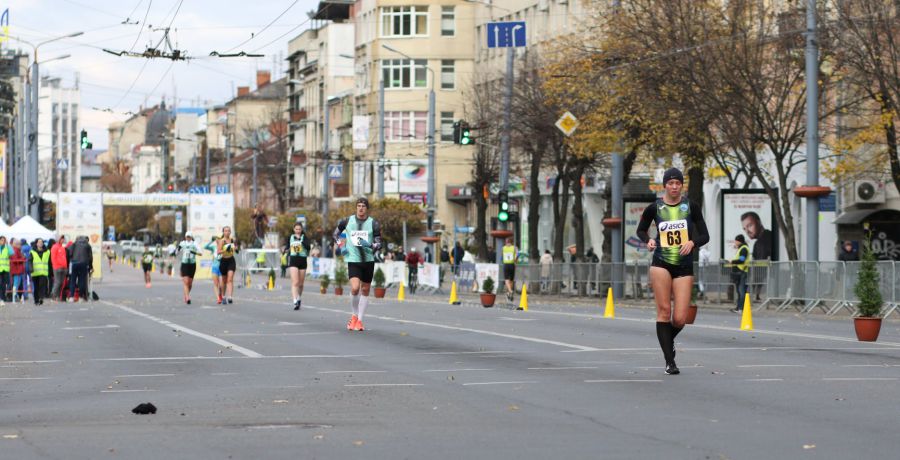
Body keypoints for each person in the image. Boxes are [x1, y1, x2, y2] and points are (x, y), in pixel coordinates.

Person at [636, 167, 710, 375]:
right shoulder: (655, 208)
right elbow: (640, 230)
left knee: (679, 318)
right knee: (664, 312)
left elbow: (705, 235)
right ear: (665, 185)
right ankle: (670, 362)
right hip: (661, 262)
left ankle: (668, 342)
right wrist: (648, 240)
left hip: (684, 265)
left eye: (678, 183)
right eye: (671, 183)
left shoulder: (691, 206)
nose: (675, 186)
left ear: (682, 185)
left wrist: (693, 243)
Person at [333, 197, 383, 332]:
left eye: (363, 206)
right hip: (353, 260)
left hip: (368, 260)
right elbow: (336, 234)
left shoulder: (374, 224)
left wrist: (372, 245)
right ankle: (354, 315)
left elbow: (379, 243)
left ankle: (360, 320)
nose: (361, 208)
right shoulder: (347, 221)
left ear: (367, 208)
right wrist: (342, 246)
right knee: (355, 288)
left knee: (365, 290)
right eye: (359, 206)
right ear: (356, 207)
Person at [286, 222, 311, 310]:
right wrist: (285, 250)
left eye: (299, 229)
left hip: (302, 260)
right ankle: (295, 301)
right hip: (293, 260)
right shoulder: (291, 237)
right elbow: (287, 247)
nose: (298, 231)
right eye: (296, 229)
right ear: (294, 229)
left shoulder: (305, 237)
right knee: (295, 282)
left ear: (301, 230)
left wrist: (301, 241)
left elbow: (308, 247)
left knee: (300, 283)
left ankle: (299, 297)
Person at [726, 234, 750, 313]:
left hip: (741, 272)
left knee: (741, 290)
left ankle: (741, 308)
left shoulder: (743, 249)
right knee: (739, 291)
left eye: (736, 241)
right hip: (738, 272)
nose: (735, 242)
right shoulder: (741, 248)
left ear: (739, 241)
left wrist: (732, 261)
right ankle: (738, 307)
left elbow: (741, 260)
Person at [217, 226, 238, 304]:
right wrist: (226, 249)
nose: (227, 232)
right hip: (223, 261)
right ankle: (223, 296)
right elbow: (218, 252)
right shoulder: (222, 241)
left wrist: (235, 248)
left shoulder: (232, 240)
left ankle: (230, 297)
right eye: (226, 231)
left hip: (231, 260)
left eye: (229, 231)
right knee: (224, 281)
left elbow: (236, 248)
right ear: (223, 232)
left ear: (230, 232)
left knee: (230, 279)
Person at [178, 232, 201, 304]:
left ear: (191, 237)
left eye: (189, 237)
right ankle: (187, 298)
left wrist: (194, 252)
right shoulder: (182, 243)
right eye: (187, 236)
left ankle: (186, 294)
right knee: (186, 282)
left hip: (192, 264)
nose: (188, 238)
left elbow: (200, 253)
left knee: (190, 283)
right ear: (185, 237)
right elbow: (177, 251)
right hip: (184, 264)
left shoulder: (194, 244)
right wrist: (175, 252)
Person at [30, 238, 50, 305]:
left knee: (42, 285)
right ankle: (36, 300)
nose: (40, 243)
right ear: (36, 243)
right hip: (35, 272)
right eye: (39, 242)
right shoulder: (32, 252)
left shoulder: (47, 251)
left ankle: (41, 298)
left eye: (42, 242)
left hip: (43, 272)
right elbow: (29, 261)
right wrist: (30, 268)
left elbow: (50, 262)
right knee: (36, 287)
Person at [50, 236, 70, 302]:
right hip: (57, 267)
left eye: (63, 239)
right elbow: (53, 258)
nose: (63, 240)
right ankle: (53, 295)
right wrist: (55, 266)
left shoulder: (62, 248)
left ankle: (57, 296)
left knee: (61, 283)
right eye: (61, 239)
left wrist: (66, 267)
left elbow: (64, 258)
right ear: (58, 239)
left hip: (63, 267)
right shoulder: (55, 247)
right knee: (57, 282)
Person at [204, 236, 222, 303]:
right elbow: (205, 247)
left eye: (219, 239)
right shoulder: (213, 247)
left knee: (221, 285)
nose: (217, 240)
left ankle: (220, 295)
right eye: (216, 239)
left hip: (222, 267)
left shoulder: (224, 248)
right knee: (215, 284)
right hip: (215, 267)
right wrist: (211, 241)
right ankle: (218, 298)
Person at [502, 238, 517, 302]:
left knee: (506, 280)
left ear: (506, 242)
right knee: (511, 280)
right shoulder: (514, 248)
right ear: (512, 242)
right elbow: (517, 254)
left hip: (506, 265)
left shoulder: (503, 248)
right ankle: (509, 293)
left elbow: (502, 255)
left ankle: (510, 291)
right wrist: (515, 260)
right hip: (512, 264)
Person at [0, 236, 12, 304]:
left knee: (3, 284)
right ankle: (1, 297)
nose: (2, 241)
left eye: (4, 240)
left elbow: (11, 253)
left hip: (5, 269)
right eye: (1, 240)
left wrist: (7, 245)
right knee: (0, 283)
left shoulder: (7, 248)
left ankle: (3, 297)